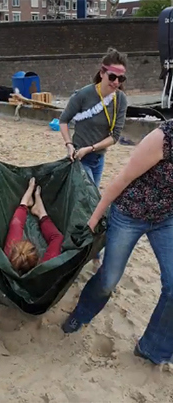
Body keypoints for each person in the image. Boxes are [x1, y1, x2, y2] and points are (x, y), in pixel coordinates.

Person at [62, 120, 173, 366]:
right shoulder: (163, 138)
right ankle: (82, 314)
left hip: (165, 218)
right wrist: (93, 219)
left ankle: (152, 349)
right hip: (129, 215)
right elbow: (122, 179)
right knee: (109, 279)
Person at [58, 48, 129, 187]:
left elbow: (115, 136)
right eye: (112, 77)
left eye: (120, 79)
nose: (116, 82)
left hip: (99, 157)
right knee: (89, 196)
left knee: (93, 196)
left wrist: (91, 148)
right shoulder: (83, 95)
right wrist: (69, 144)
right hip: (80, 157)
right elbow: (63, 120)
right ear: (102, 73)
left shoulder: (121, 99)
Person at [4, 178, 64, 274]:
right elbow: (57, 238)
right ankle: (39, 211)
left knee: (15, 225)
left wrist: (30, 189)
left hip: (13, 262)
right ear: (37, 260)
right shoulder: (44, 269)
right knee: (58, 239)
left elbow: (16, 223)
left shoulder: (8, 256)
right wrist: (43, 217)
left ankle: (27, 203)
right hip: (41, 276)